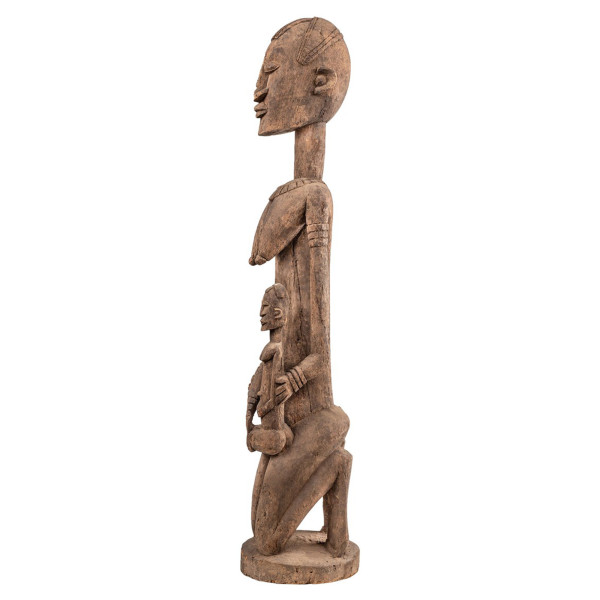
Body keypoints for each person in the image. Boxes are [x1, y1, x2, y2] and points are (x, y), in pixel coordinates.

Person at [247, 17, 353, 558]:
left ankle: (336, 472)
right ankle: (337, 477)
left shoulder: (313, 197)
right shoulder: (300, 194)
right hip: (290, 415)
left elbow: (321, 343)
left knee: (266, 540)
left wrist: (291, 379)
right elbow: (261, 252)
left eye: (272, 72)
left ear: (320, 82)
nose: (258, 90)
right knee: (263, 529)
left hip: (312, 406)